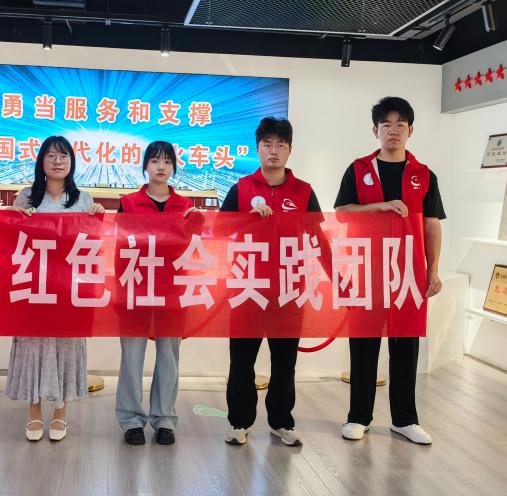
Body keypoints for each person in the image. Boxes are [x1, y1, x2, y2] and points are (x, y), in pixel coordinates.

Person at [333, 96, 445, 446]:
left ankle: (405, 419)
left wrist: (433, 270)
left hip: (408, 272)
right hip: (367, 269)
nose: (393, 130)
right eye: (386, 124)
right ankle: (358, 417)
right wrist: (379, 207)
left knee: (406, 345)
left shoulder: (424, 175)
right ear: (375, 130)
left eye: (400, 124)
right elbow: (341, 212)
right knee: (364, 344)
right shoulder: (358, 169)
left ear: (411, 130)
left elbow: (432, 225)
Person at [222, 117, 322, 447]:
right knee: (242, 362)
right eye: (267, 144)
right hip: (247, 288)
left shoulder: (304, 192)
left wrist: (339, 277)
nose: (274, 151)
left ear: (290, 150)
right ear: (258, 148)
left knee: (285, 363)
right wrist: (246, 219)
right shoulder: (241, 188)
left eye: (281, 144)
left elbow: (318, 238)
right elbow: (219, 231)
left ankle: (281, 421)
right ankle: (239, 422)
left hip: (289, 290)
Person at [6, 135, 105, 442]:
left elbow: (94, 244)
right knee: (33, 345)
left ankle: (61, 411)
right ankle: (33, 411)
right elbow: (10, 239)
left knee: (66, 344)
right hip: (34, 286)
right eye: (51, 156)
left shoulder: (84, 199)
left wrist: (98, 218)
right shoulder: (26, 197)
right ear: (41, 161)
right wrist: (13, 218)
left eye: (63, 156)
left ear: (72, 162)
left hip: (69, 288)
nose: (57, 161)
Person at [115, 141, 199, 446]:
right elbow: (120, 250)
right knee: (132, 356)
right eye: (154, 161)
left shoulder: (186, 206)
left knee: (168, 357)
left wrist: (199, 224)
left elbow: (195, 248)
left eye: (166, 161)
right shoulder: (128, 203)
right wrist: (121, 291)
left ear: (174, 166)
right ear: (145, 166)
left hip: (173, 290)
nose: (161, 167)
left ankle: (165, 419)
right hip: (136, 287)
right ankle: (131, 420)